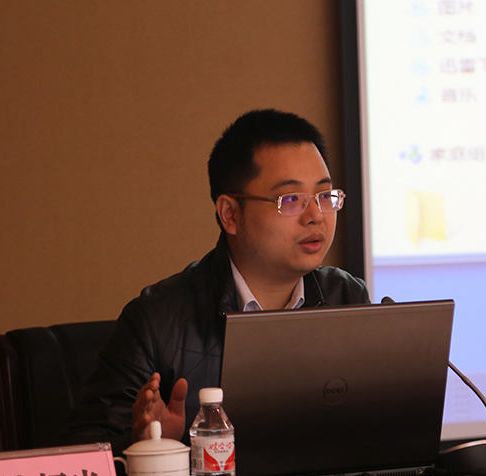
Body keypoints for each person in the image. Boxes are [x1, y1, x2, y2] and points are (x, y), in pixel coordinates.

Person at [60, 109, 370, 453]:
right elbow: (82, 452)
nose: (316, 216)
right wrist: (156, 445)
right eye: (291, 200)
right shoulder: (156, 320)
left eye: (325, 196)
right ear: (230, 214)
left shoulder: (346, 296)